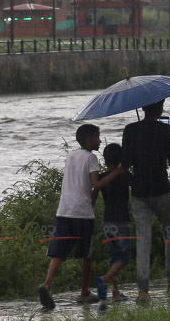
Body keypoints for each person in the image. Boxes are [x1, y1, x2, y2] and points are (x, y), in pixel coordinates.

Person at [38, 124, 124, 310]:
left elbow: (86, 183)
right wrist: (117, 172)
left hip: (64, 209)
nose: (100, 141)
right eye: (97, 137)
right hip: (82, 213)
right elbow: (97, 183)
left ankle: (47, 284)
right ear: (88, 139)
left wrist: (93, 197)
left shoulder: (71, 155)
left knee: (59, 251)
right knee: (87, 253)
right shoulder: (91, 158)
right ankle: (84, 292)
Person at [122, 99, 170, 301]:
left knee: (143, 240)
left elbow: (126, 163)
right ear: (160, 108)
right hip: (162, 190)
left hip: (138, 192)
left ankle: (142, 291)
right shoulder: (166, 130)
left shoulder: (130, 130)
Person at [93, 142, 131, 303]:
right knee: (124, 258)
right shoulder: (125, 175)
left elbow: (93, 198)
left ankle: (116, 293)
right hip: (121, 220)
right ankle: (104, 279)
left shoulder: (101, 178)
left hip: (107, 221)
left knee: (114, 257)